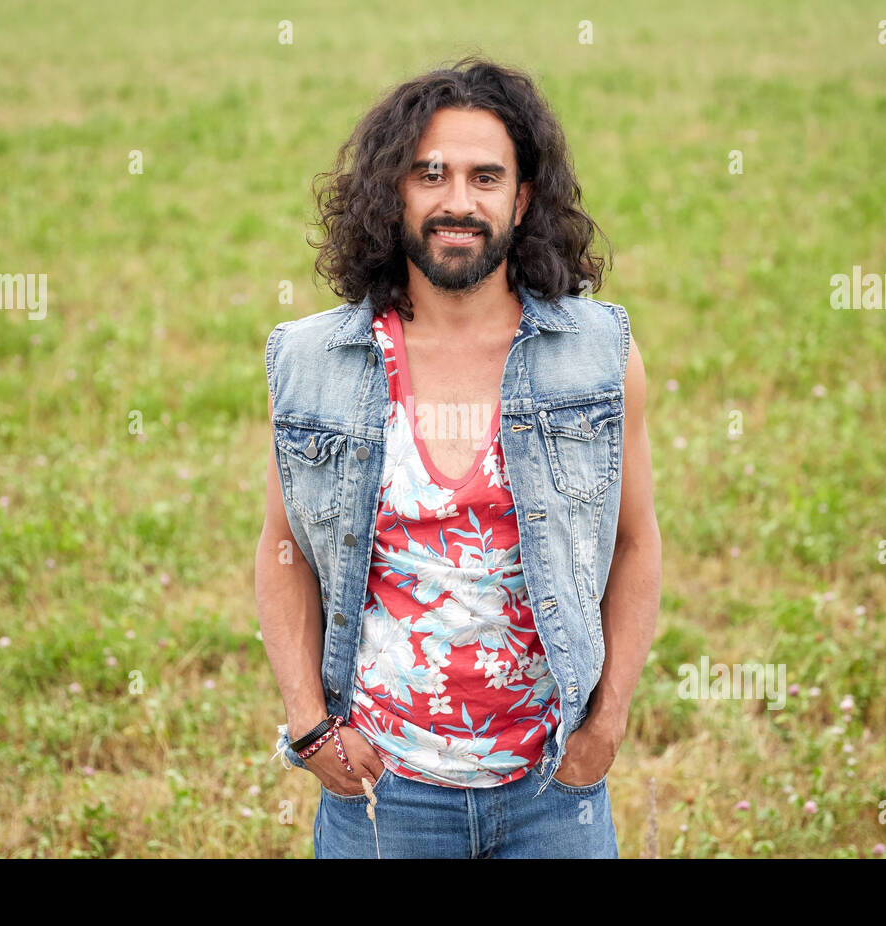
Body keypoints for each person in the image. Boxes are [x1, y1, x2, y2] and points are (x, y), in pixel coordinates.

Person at [254, 55, 662, 858]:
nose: (457, 202)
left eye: (485, 177)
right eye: (430, 174)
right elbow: (281, 550)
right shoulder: (312, 363)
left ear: (523, 196)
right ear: (393, 191)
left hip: (553, 788)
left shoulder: (597, 355)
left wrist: (607, 725)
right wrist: (309, 725)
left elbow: (636, 542)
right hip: (385, 793)